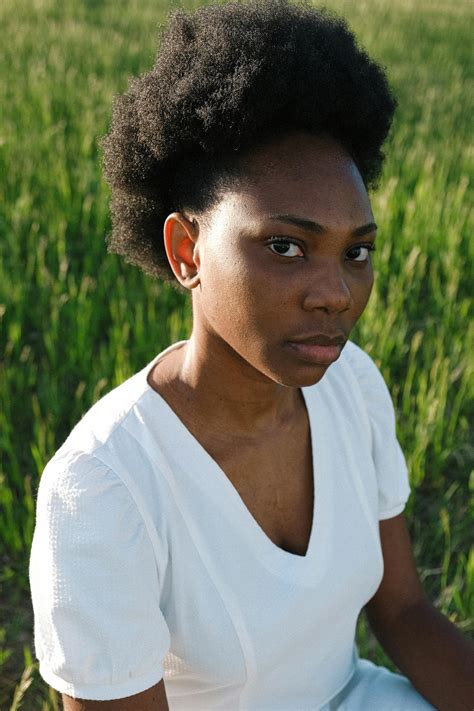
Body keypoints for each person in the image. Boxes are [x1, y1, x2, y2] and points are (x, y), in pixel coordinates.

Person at [28, 1, 474, 709]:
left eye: (356, 252)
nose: (336, 293)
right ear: (186, 251)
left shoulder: (352, 387)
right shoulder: (104, 490)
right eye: (286, 246)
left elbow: (406, 612)